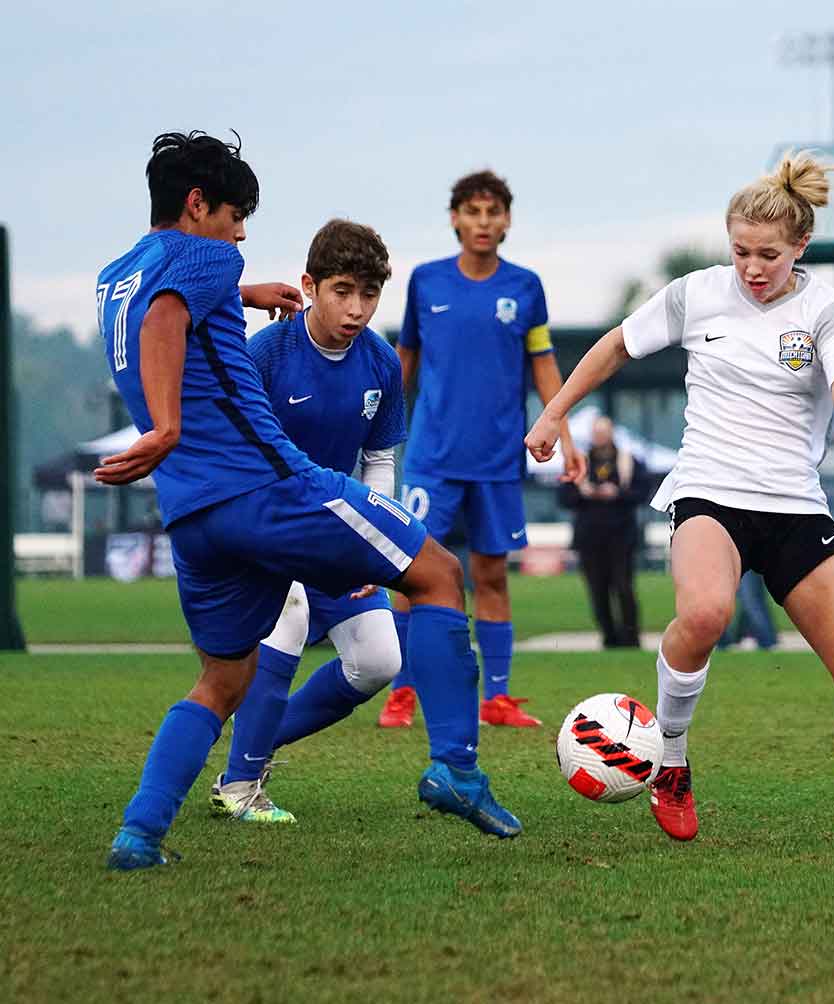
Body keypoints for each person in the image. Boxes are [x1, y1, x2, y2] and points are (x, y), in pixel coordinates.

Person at [97, 132, 527, 870]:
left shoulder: (116, 275)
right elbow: (168, 316)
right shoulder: (204, 259)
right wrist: (167, 424)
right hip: (269, 485)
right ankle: (456, 768)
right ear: (198, 204)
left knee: (223, 679)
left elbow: (154, 307)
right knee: (438, 575)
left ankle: (139, 833)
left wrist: (244, 294)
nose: (239, 235)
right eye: (236, 216)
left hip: (193, 516)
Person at [524, 150, 834, 844]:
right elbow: (616, 346)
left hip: (794, 505)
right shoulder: (697, 292)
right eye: (741, 252)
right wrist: (554, 412)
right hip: (709, 490)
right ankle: (670, 762)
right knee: (704, 613)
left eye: (769, 254)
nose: (754, 268)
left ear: (801, 246)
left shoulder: (824, 309)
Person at [204, 219, 408, 823]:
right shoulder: (265, 353)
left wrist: (375, 544)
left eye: (369, 294)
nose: (356, 308)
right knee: (287, 618)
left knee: (380, 662)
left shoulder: (383, 363)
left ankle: (252, 750)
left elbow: (378, 459)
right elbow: (233, 452)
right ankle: (241, 787)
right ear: (309, 286)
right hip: (262, 530)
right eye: (342, 290)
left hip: (334, 533)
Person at [378, 170, 584, 731]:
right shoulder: (425, 282)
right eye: (472, 211)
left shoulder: (525, 287)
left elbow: (543, 365)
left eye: (494, 212)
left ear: (508, 221)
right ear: (455, 219)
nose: (483, 223)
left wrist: (561, 429)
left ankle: (497, 697)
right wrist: (372, 421)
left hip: (497, 461)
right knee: (410, 573)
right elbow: (405, 361)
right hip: (431, 459)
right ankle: (401, 692)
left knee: (491, 575)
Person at [560, 414, 645, 649]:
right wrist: (585, 493)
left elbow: (642, 492)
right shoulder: (580, 463)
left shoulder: (629, 461)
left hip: (621, 536)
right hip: (590, 536)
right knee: (597, 589)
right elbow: (564, 497)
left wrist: (617, 493)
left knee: (624, 586)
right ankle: (609, 637)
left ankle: (631, 638)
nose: (600, 437)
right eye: (596, 433)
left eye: (604, 432)